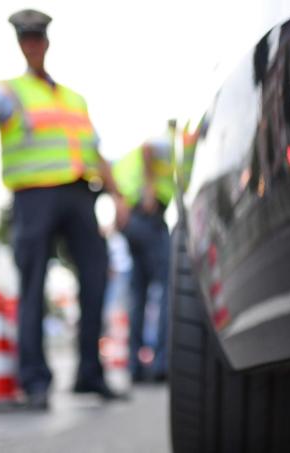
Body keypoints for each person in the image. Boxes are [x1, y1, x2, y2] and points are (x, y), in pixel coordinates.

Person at [0, 9, 129, 408]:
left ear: (46, 44)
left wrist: (118, 196)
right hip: (34, 196)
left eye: (38, 39)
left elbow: (96, 152)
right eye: (26, 40)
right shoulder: (7, 92)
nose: (33, 46)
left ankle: (90, 374)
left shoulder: (74, 99)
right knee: (33, 284)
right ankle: (35, 380)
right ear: (21, 45)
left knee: (96, 279)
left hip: (80, 194)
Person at [113, 120, 176, 382]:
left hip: (133, 220)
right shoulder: (172, 141)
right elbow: (148, 148)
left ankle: (134, 367)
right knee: (167, 285)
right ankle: (161, 363)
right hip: (147, 216)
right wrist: (150, 190)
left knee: (138, 292)